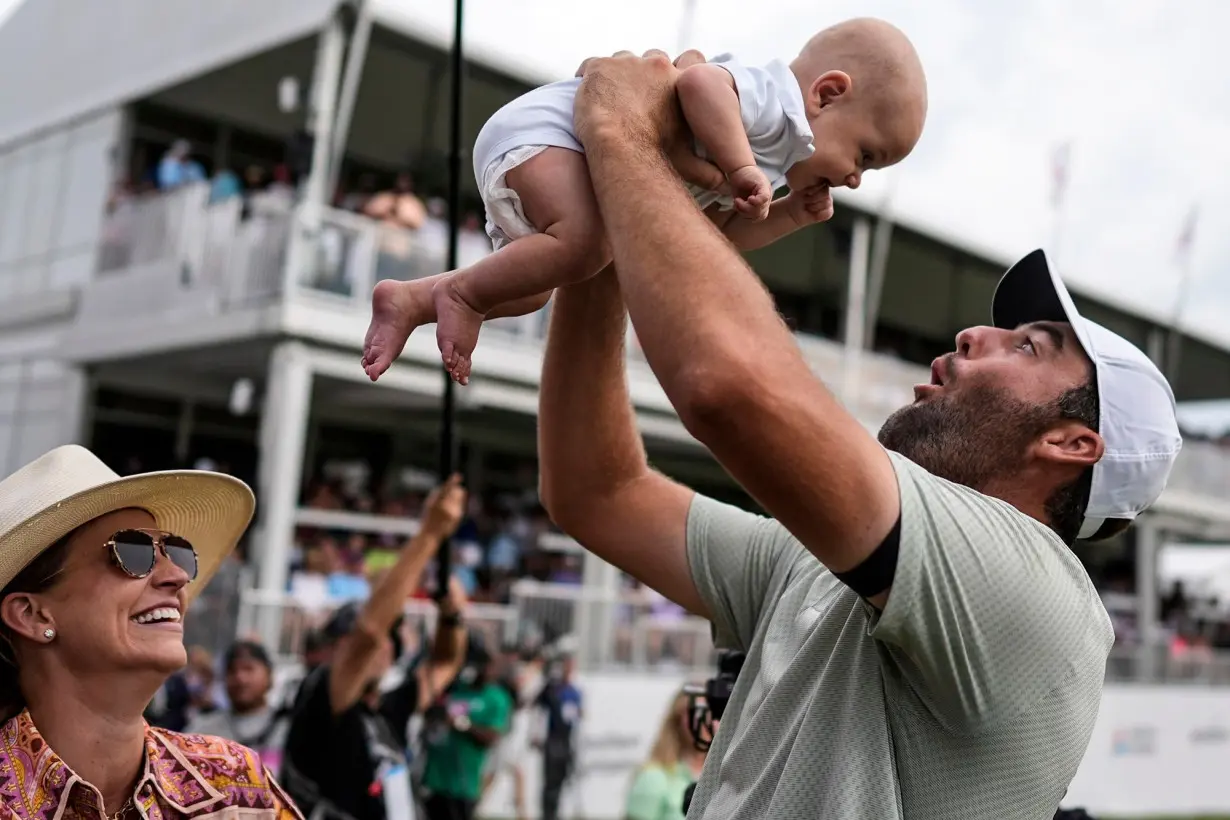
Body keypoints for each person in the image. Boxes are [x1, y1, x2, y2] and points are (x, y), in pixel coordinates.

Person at [535, 49, 1183, 820]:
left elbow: (728, 385)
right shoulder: (827, 562)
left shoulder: (1038, 590)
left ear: (1073, 445)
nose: (976, 333)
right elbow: (597, 491)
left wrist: (620, 136)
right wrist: (609, 249)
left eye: (1029, 347)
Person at [361, 17, 927, 385]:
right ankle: (461, 293)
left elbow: (715, 237)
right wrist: (737, 167)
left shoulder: (773, 164)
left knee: (534, 289)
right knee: (583, 247)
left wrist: (788, 215)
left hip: (564, 160)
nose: (855, 180)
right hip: (551, 133)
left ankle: (414, 299)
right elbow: (700, 84)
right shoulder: (772, 102)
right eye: (866, 156)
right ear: (827, 94)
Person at [0, 444, 299, 819]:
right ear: (32, 615)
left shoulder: (234, 785)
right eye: (132, 552)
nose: (176, 576)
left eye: (176, 551)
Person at [281, 476, 469, 820]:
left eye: (390, 637)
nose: (381, 646)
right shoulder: (321, 697)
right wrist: (430, 534)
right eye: (355, 642)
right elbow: (368, 633)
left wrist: (451, 617)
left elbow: (445, 662)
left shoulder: (386, 711)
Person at [419, 637, 513, 820]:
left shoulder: (496, 698)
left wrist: (461, 724)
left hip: (463, 784)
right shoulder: (453, 690)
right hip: (434, 780)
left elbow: (491, 737)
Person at [186, 640, 290, 773]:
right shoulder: (201, 731)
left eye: (248, 669)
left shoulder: (289, 729)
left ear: (269, 676)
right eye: (232, 671)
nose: (240, 678)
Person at [624, 690, 707, 820]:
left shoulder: (728, 776)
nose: (706, 719)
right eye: (696, 712)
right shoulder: (653, 777)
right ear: (678, 720)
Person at [534, 651, 582, 820]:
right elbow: (538, 711)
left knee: (565, 781)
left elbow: (576, 716)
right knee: (550, 785)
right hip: (553, 742)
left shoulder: (574, 692)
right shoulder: (552, 690)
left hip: (567, 742)